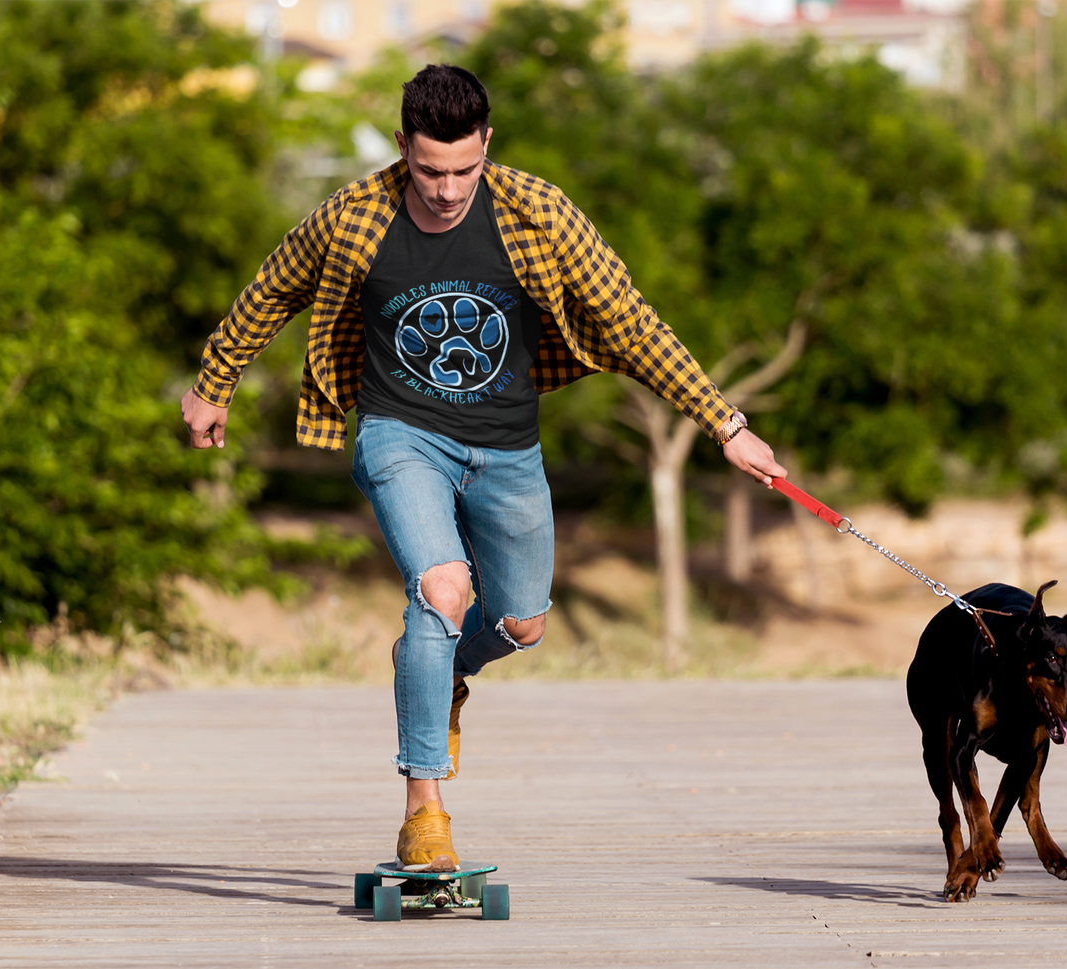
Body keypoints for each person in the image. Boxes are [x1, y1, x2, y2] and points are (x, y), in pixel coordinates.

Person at [180, 64, 786, 871]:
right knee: (440, 589)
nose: (445, 189)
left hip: (507, 447)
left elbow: (632, 324)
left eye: (464, 169)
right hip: (399, 433)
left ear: (486, 145)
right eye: (429, 170)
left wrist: (724, 422)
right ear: (403, 148)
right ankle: (424, 810)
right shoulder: (353, 216)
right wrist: (213, 382)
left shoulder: (540, 214)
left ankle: (438, 668)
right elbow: (272, 288)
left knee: (520, 623)